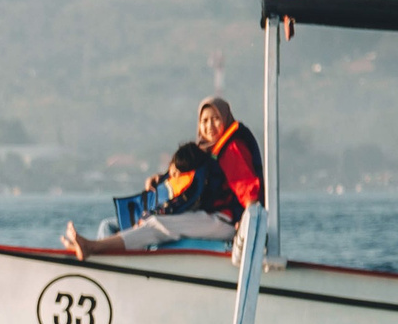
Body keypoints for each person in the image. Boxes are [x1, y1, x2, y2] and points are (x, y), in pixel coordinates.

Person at [64, 96, 265, 258]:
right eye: (204, 121)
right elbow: (188, 179)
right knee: (110, 225)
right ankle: (100, 258)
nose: (209, 125)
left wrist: (248, 222)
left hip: (223, 221)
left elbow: (246, 187)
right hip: (205, 216)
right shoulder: (206, 151)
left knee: (158, 223)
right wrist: (160, 180)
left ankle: (92, 247)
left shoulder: (232, 148)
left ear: (225, 119)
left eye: (215, 119)